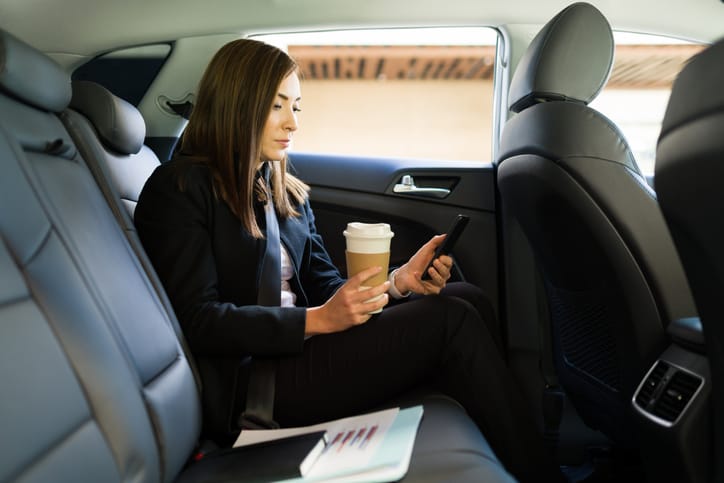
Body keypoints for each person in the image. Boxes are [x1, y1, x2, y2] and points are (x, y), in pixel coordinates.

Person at [134, 38, 561, 482]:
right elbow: (198, 320)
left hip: (304, 353)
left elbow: (328, 291)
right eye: (277, 105)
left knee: (466, 297)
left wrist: (398, 284)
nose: (291, 123)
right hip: (253, 385)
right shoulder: (181, 188)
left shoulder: (287, 194)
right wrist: (315, 322)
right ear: (237, 103)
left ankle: (509, 455)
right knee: (452, 320)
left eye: (297, 107)